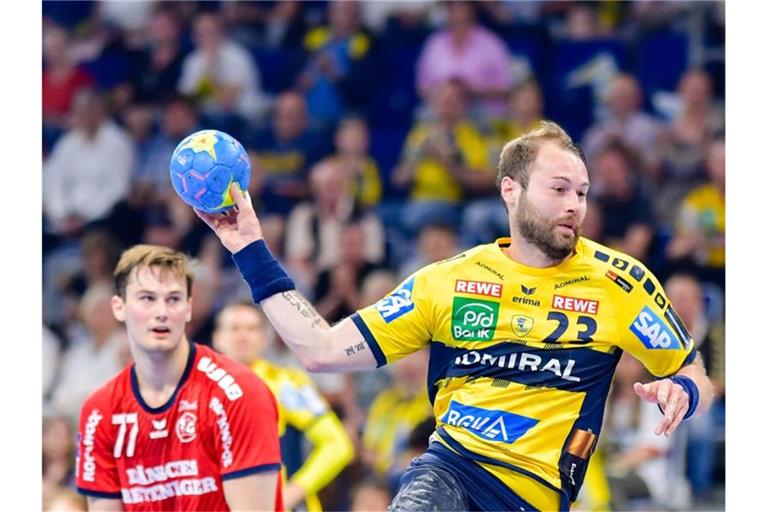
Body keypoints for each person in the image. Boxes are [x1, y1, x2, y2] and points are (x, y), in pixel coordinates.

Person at [196, 121, 714, 511]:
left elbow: (694, 373)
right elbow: (321, 350)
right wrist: (249, 248)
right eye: (558, 189)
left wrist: (685, 391)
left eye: (581, 192)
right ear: (511, 190)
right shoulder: (446, 282)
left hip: (538, 496)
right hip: (451, 472)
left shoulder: (619, 281)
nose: (574, 205)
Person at [75, 244, 283, 511]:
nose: (161, 312)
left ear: (188, 308)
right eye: (147, 298)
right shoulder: (99, 410)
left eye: (173, 299)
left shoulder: (239, 392)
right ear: (119, 307)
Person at [212, 300, 355, 512]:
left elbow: (338, 445)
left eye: (251, 329)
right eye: (234, 328)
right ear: (217, 338)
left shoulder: (286, 384)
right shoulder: (201, 390)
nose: (243, 336)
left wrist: (295, 491)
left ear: (263, 339)